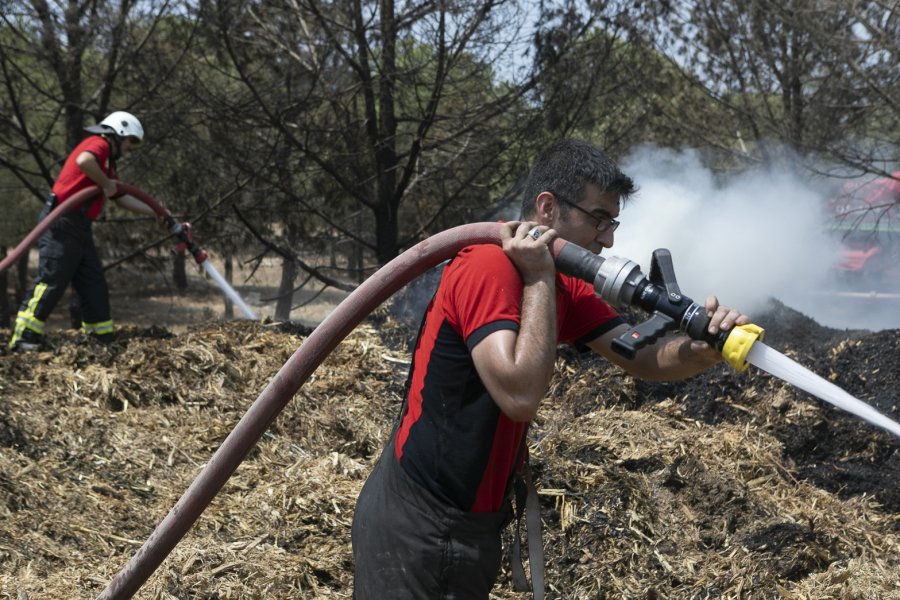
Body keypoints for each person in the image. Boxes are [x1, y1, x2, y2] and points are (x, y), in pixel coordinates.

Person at [350, 138, 751, 598]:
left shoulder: (563, 285)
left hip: (469, 523)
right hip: (421, 524)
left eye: (613, 222)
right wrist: (539, 278)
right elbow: (519, 395)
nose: (608, 239)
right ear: (547, 208)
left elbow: (640, 354)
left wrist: (701, 350)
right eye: (598, 218)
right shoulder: (487, 265)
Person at [8, 111, 163, 352]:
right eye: (130, 142)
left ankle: (99, 339)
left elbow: (120, 197)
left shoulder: (108, 164)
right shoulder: (98, 144)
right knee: (53, 279)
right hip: (62, 221)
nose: (130, 149)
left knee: (93, 284)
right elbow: (83, 161)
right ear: (118, 133)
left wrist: (156, 211)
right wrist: (106, 183)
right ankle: (23, 338)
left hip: (80, 226)